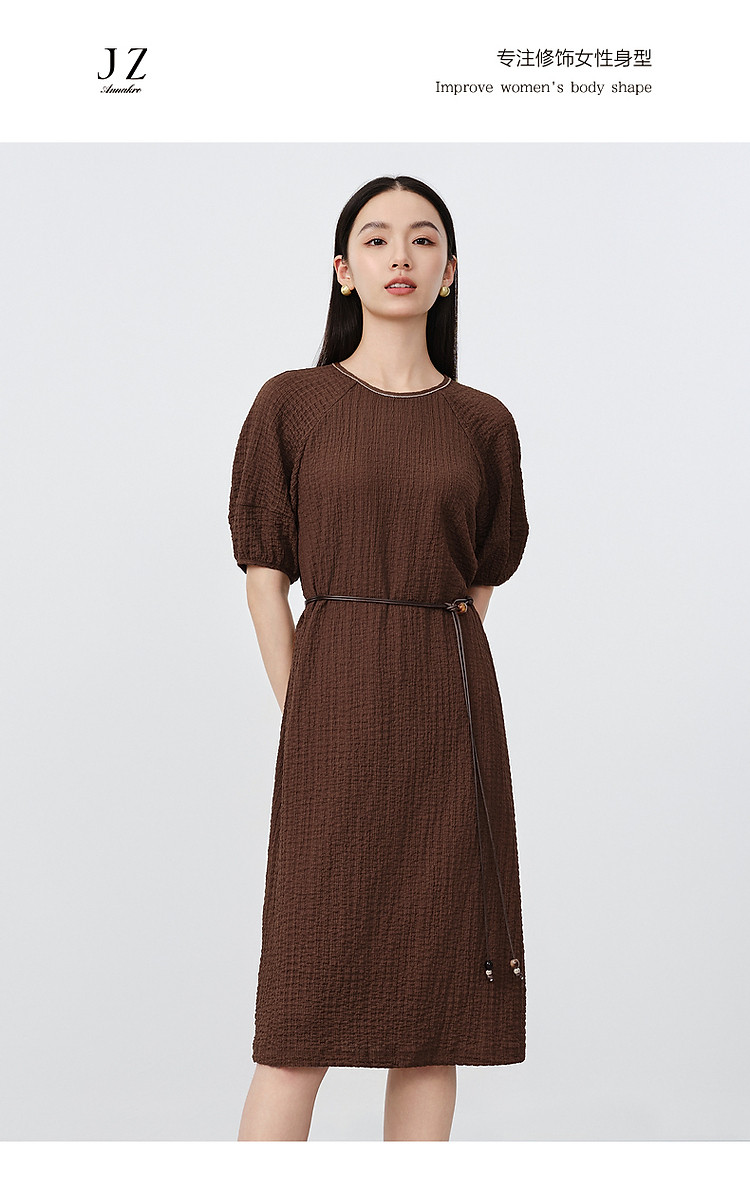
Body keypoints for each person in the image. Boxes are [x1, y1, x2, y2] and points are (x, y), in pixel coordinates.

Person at [228, 175, 530, 1141]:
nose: (400, 255)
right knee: (296, 1027)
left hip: (449, 722)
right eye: (376, 238)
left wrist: (426, 654)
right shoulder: (293, 403)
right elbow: (265, 579)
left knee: (432, 1024)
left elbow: (480, 576)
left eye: (423, 238)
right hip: (334, 711)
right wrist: (311, 711)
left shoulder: (482, 421)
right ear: (343, 269)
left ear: (449, 271)